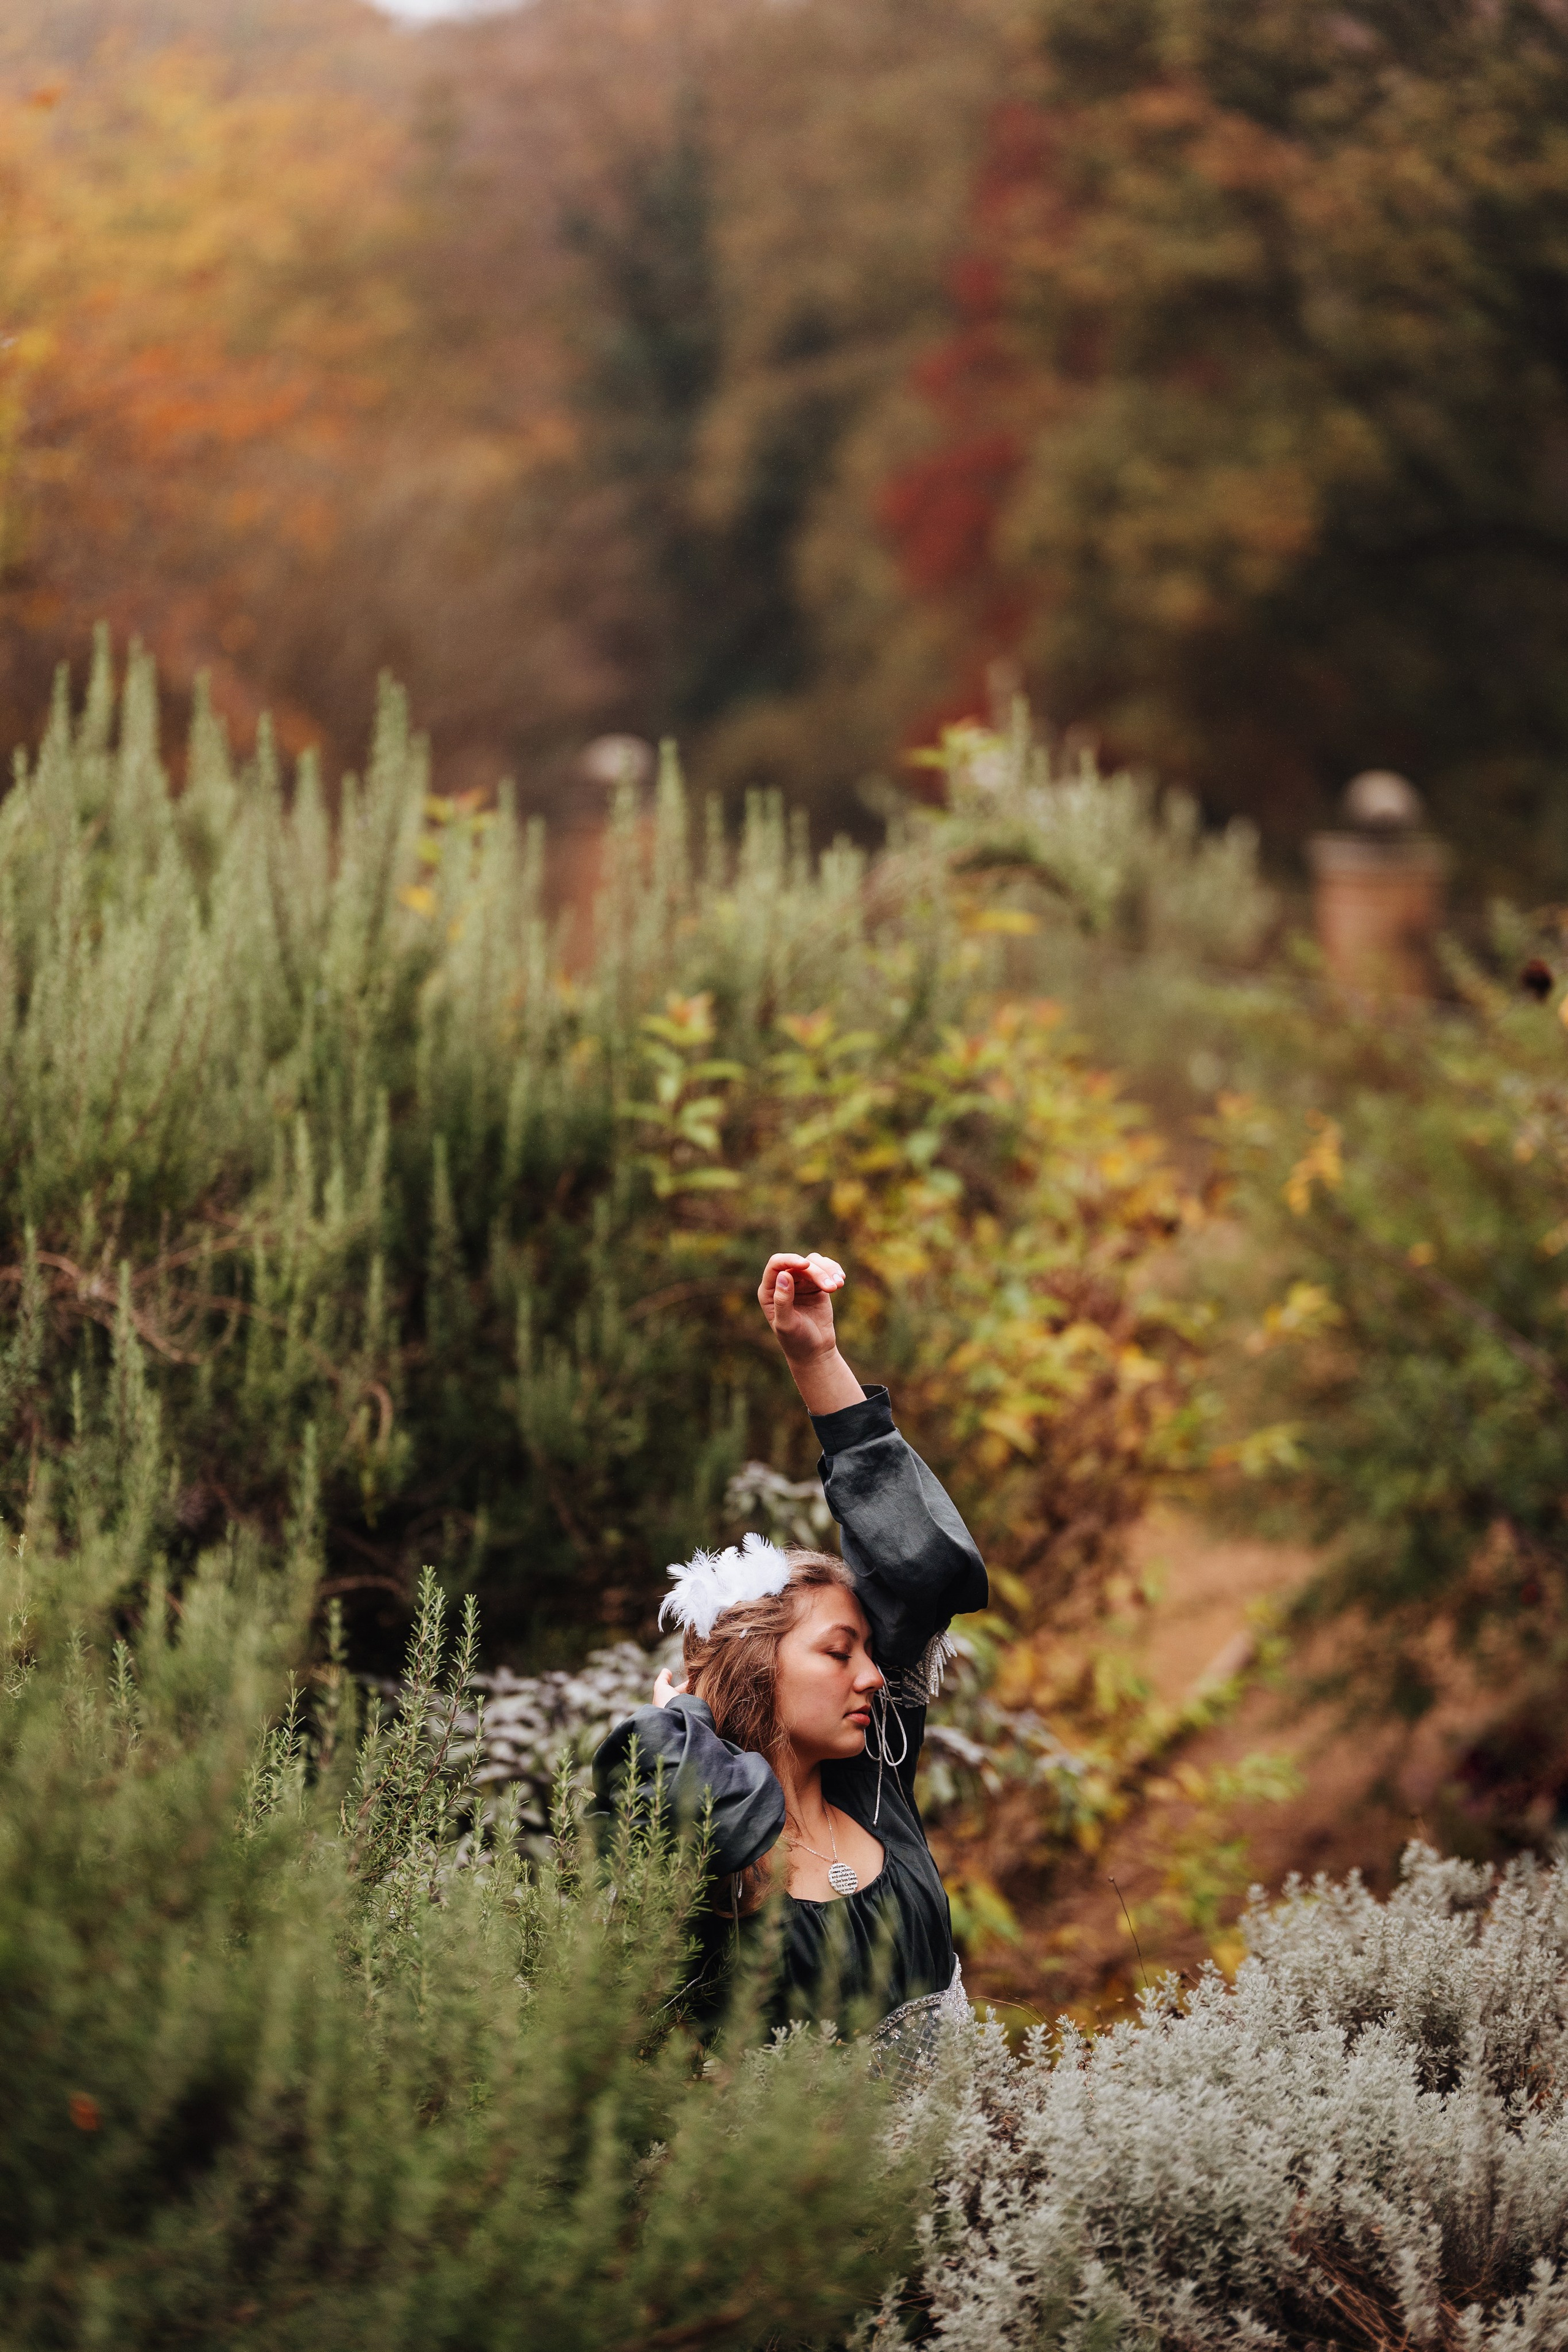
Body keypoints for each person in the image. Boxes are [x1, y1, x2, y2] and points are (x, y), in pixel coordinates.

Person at [592, 1249, 987, 2045]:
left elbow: (922, 1571)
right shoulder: (705, 1857)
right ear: (757, 1667)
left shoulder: (874, 1786)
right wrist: (687, 1729)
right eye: (840, 1653)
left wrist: (819, 1358)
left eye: (868, 1652)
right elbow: (682, 1807)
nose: (875, 1676)